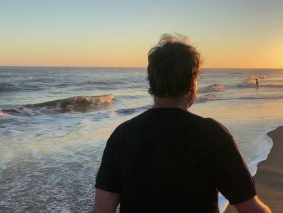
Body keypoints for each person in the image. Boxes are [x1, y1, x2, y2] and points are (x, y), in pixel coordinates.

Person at [93, 34, 271, 213]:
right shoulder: (212, 135)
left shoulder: (123, 135)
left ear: (152, 80)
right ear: (192, 81)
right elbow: (252, 209)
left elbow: (102, 209)